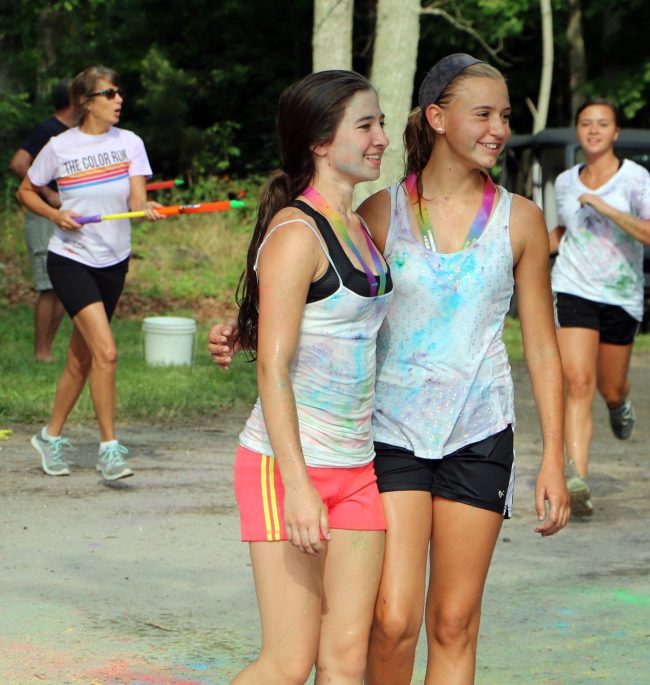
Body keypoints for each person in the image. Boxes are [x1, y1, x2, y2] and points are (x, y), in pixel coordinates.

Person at [209, 54, 570, 684]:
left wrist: (557, 459)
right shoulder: (376, 215)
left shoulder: (514, 220)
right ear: (438, 118)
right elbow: (312, 302)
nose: (498, 127)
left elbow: (539, 346)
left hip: (472, 433)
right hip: (384, 438)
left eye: (504, 115)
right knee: (387, 623)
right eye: (482, 113)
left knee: (439, 626)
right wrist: (249, 335)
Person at [229, 70, 392, 685]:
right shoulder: (298, 233)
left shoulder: (361, 228)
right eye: (366, 125)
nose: (380, 137)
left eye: (380, 123)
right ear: (322, 143)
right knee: (288, 664)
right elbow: (271, 368)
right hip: (284, 468)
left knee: (347, 660)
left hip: (356, 470)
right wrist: (298, 485)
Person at [16, 65, 163, 480]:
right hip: (70, 258)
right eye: (110, 94)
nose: (119, 100)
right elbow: (25, 190)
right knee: (107, 352)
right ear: (87, 102)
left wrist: (146, 208)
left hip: (114, 261)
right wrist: (55, 214)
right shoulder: (59, 147)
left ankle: (49, 435)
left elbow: (136, 196)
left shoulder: (130, 142)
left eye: (119, 93)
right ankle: (109, 449)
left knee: (81, 359)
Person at [546, 98, 650, 517]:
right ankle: (577, 479)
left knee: (608, 386)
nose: (594, 130)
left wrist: (607, 208)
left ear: (616, 133)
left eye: (603, 124)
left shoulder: (635, 180)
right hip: (573, 287)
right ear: (577, 131)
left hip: (620, 294)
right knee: (578, 382)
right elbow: (564, 231)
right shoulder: (564, 183)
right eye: (586, 123)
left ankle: (620, 404)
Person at [8, 79, 73, 361]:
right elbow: (18, 163)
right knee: (49, 286)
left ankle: (46, 351)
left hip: (63, 220)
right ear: (74, 100)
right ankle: (41, 352)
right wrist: (48, 194)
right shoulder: (48, 130)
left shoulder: (73, 134)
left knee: (62, 287)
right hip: (43, 218)